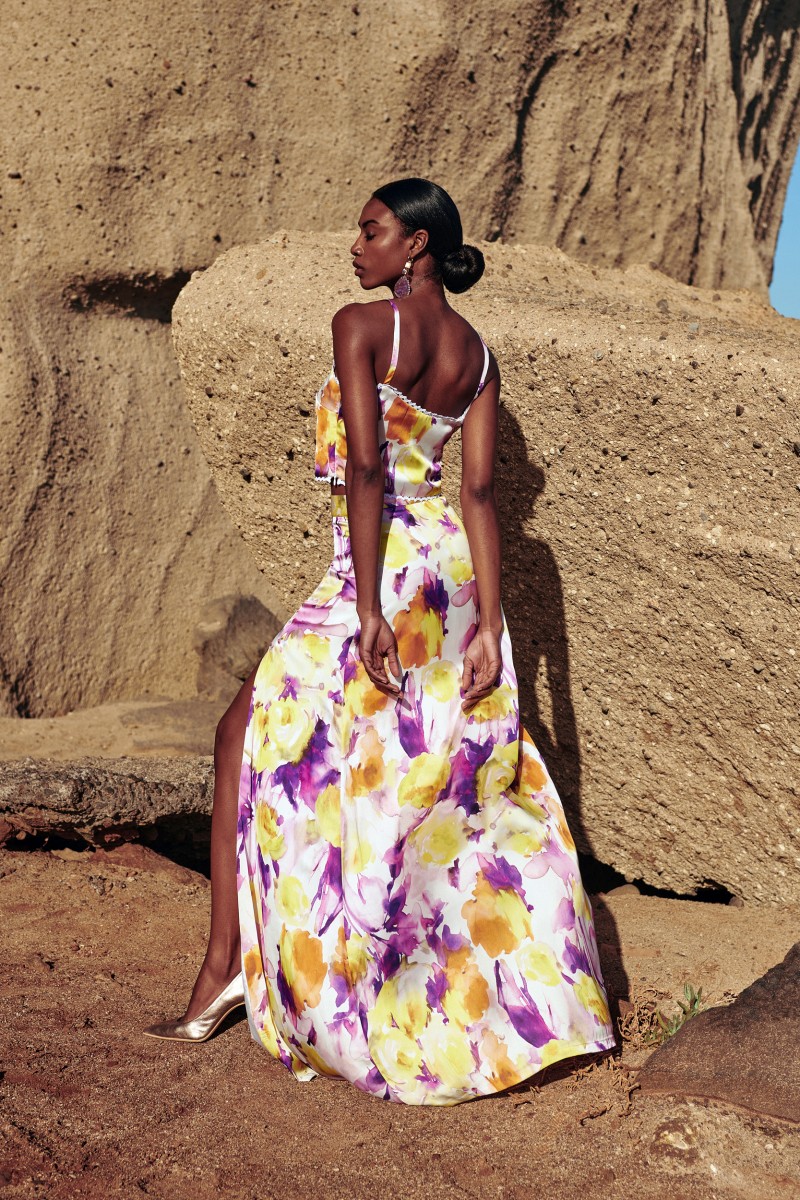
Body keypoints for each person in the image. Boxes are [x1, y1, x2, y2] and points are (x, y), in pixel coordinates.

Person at [144, 178, 616, 1105]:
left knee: (242, 733)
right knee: (402, 768)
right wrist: (490, 621)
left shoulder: (362, 326)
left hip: (385, 565)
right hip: (446, 571)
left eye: (371, 231)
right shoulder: (477, 356)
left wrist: (364, 604)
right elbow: (478, 496)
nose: (355, 246)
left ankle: (225, 970)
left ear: (417, 247)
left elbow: (366, 465)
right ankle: (403, 975)